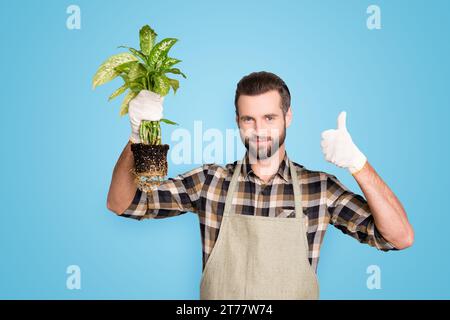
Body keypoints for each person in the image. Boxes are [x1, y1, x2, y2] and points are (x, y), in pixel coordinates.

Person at [106, 71, 414, 300]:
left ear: (287, 117)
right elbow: (122, 203)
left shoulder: (319, 189)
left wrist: (358, 164)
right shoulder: (210, 182)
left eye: (269, 117)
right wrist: (137, 136)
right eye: (248, 119)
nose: (259, 130)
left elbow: (399, 237)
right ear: (237, 120)